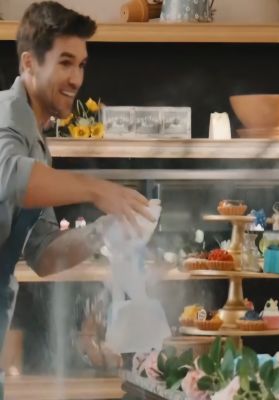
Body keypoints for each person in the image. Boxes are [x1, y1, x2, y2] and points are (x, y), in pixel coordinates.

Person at [0, 2, 154, 393]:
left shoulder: (38, 147)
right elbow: (10, 177)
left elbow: (44, 255)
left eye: (81, 65)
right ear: (29, 63)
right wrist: (96, 188)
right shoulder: (5, 115)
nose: (76, 78)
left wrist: (104, 231)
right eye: (65, 63)